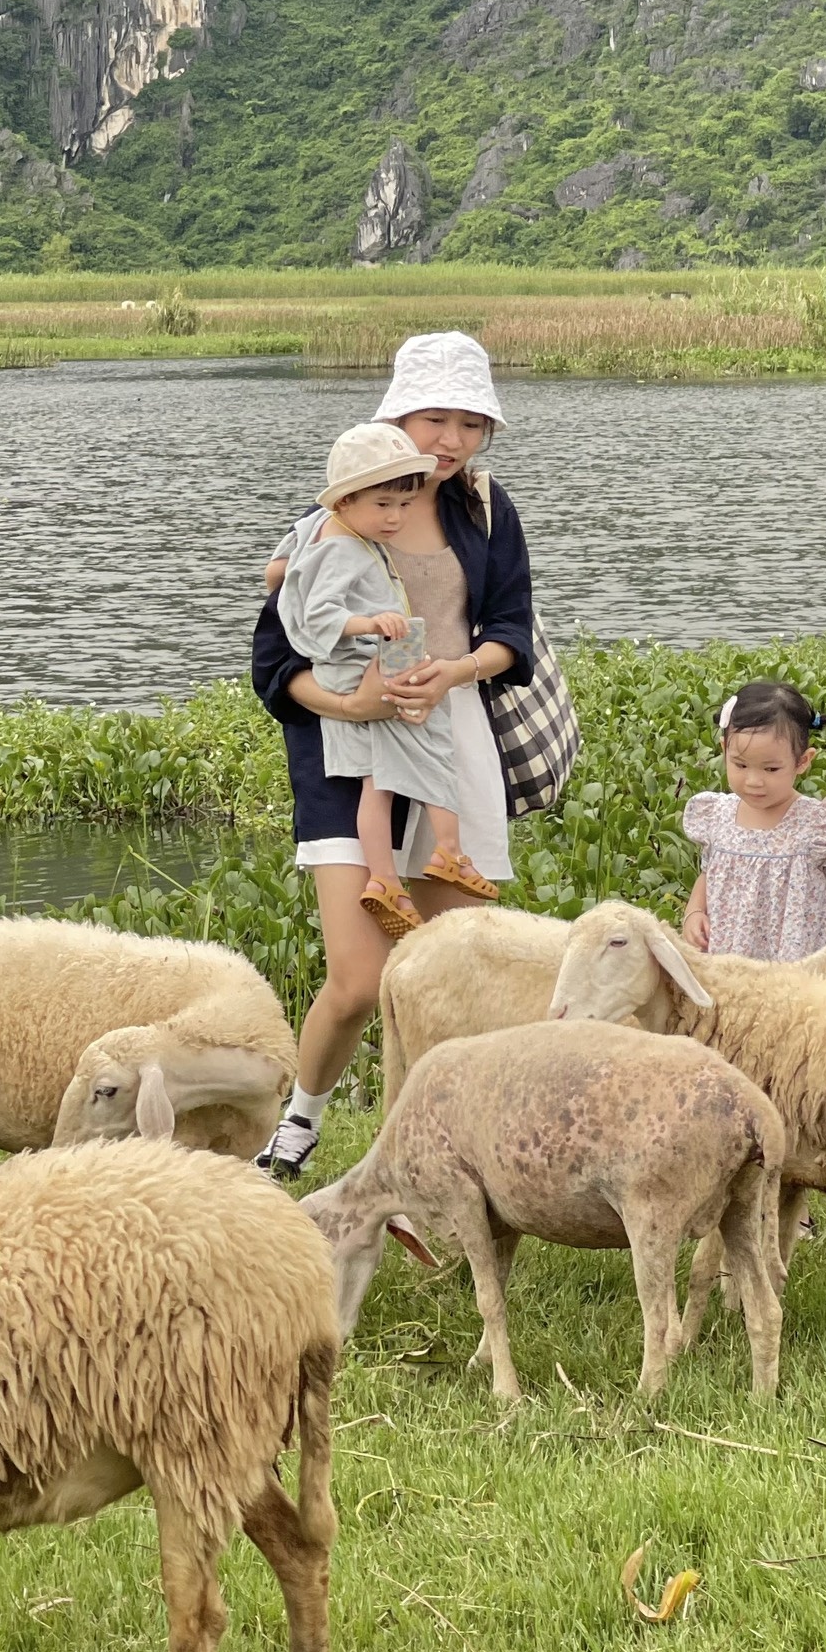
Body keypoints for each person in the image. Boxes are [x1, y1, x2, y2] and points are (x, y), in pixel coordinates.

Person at [250, 332, 535, 1178]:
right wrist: (354, 701)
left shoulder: (486, 510)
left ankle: (449, 1155)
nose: (451, 440)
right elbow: (274, 664)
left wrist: (459, 669)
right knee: (361, 979)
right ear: (397, 417)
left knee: (456, 975)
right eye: (434, 418)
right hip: (348, 755)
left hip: (450, 745)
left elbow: (511, 631)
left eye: (470, 423)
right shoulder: (333, 517)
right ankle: (298, 1126)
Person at [276, 422, 498, 941]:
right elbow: (320, 616)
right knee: (432, 741)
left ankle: (384, 878)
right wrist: (371, 624)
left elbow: (281, 576)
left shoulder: (337, 535)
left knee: (378, 786)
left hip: (370, 661)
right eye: (383, 505)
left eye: (403, 504)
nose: (395, 517)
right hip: (368, 665)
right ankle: (449, 853)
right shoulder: (343, 547)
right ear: (346, 502)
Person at [680, 680, 826, 959]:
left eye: (771, 768)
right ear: (724, 750)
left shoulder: (818, 823)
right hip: (726, 969)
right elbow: (709, 874)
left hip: (794, 975)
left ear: (802, 761)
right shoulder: (717, 814)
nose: (754, 781)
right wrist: (694, 912)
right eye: (740, 765)